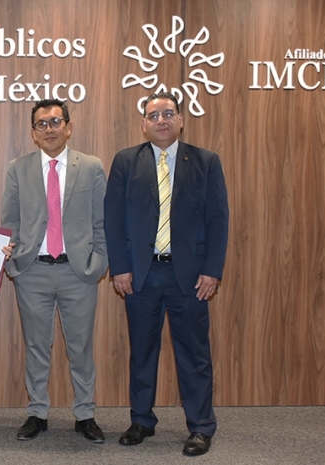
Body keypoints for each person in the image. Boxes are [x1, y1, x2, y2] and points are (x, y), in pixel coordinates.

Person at [104, 91, 229, 456]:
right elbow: (113, 218)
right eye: (153, 115)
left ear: (180, 120)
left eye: (168, 113)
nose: (161, 120)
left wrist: (212, 271)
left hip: (189, 276)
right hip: (141, 275)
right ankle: (141, 420)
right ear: (143, 123)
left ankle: (201, 426)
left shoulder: (205, 162)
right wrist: (120, 267)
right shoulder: (127, 161)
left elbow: (218, 220)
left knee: (194, 353)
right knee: (142, 351)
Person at [1, 99, 109, 443]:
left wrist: (100, 260)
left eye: (55, 121)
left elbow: (101, 221)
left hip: (79, 272)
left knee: (80, 347)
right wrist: (12, 253)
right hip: (32, 271)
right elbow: (11, 220)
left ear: (69, 126)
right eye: (42, 124)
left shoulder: (91, 167)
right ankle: (37, 413)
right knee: (37, 345)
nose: (49, 128)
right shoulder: (18, 168)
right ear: (33, 133)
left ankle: (85, 414)